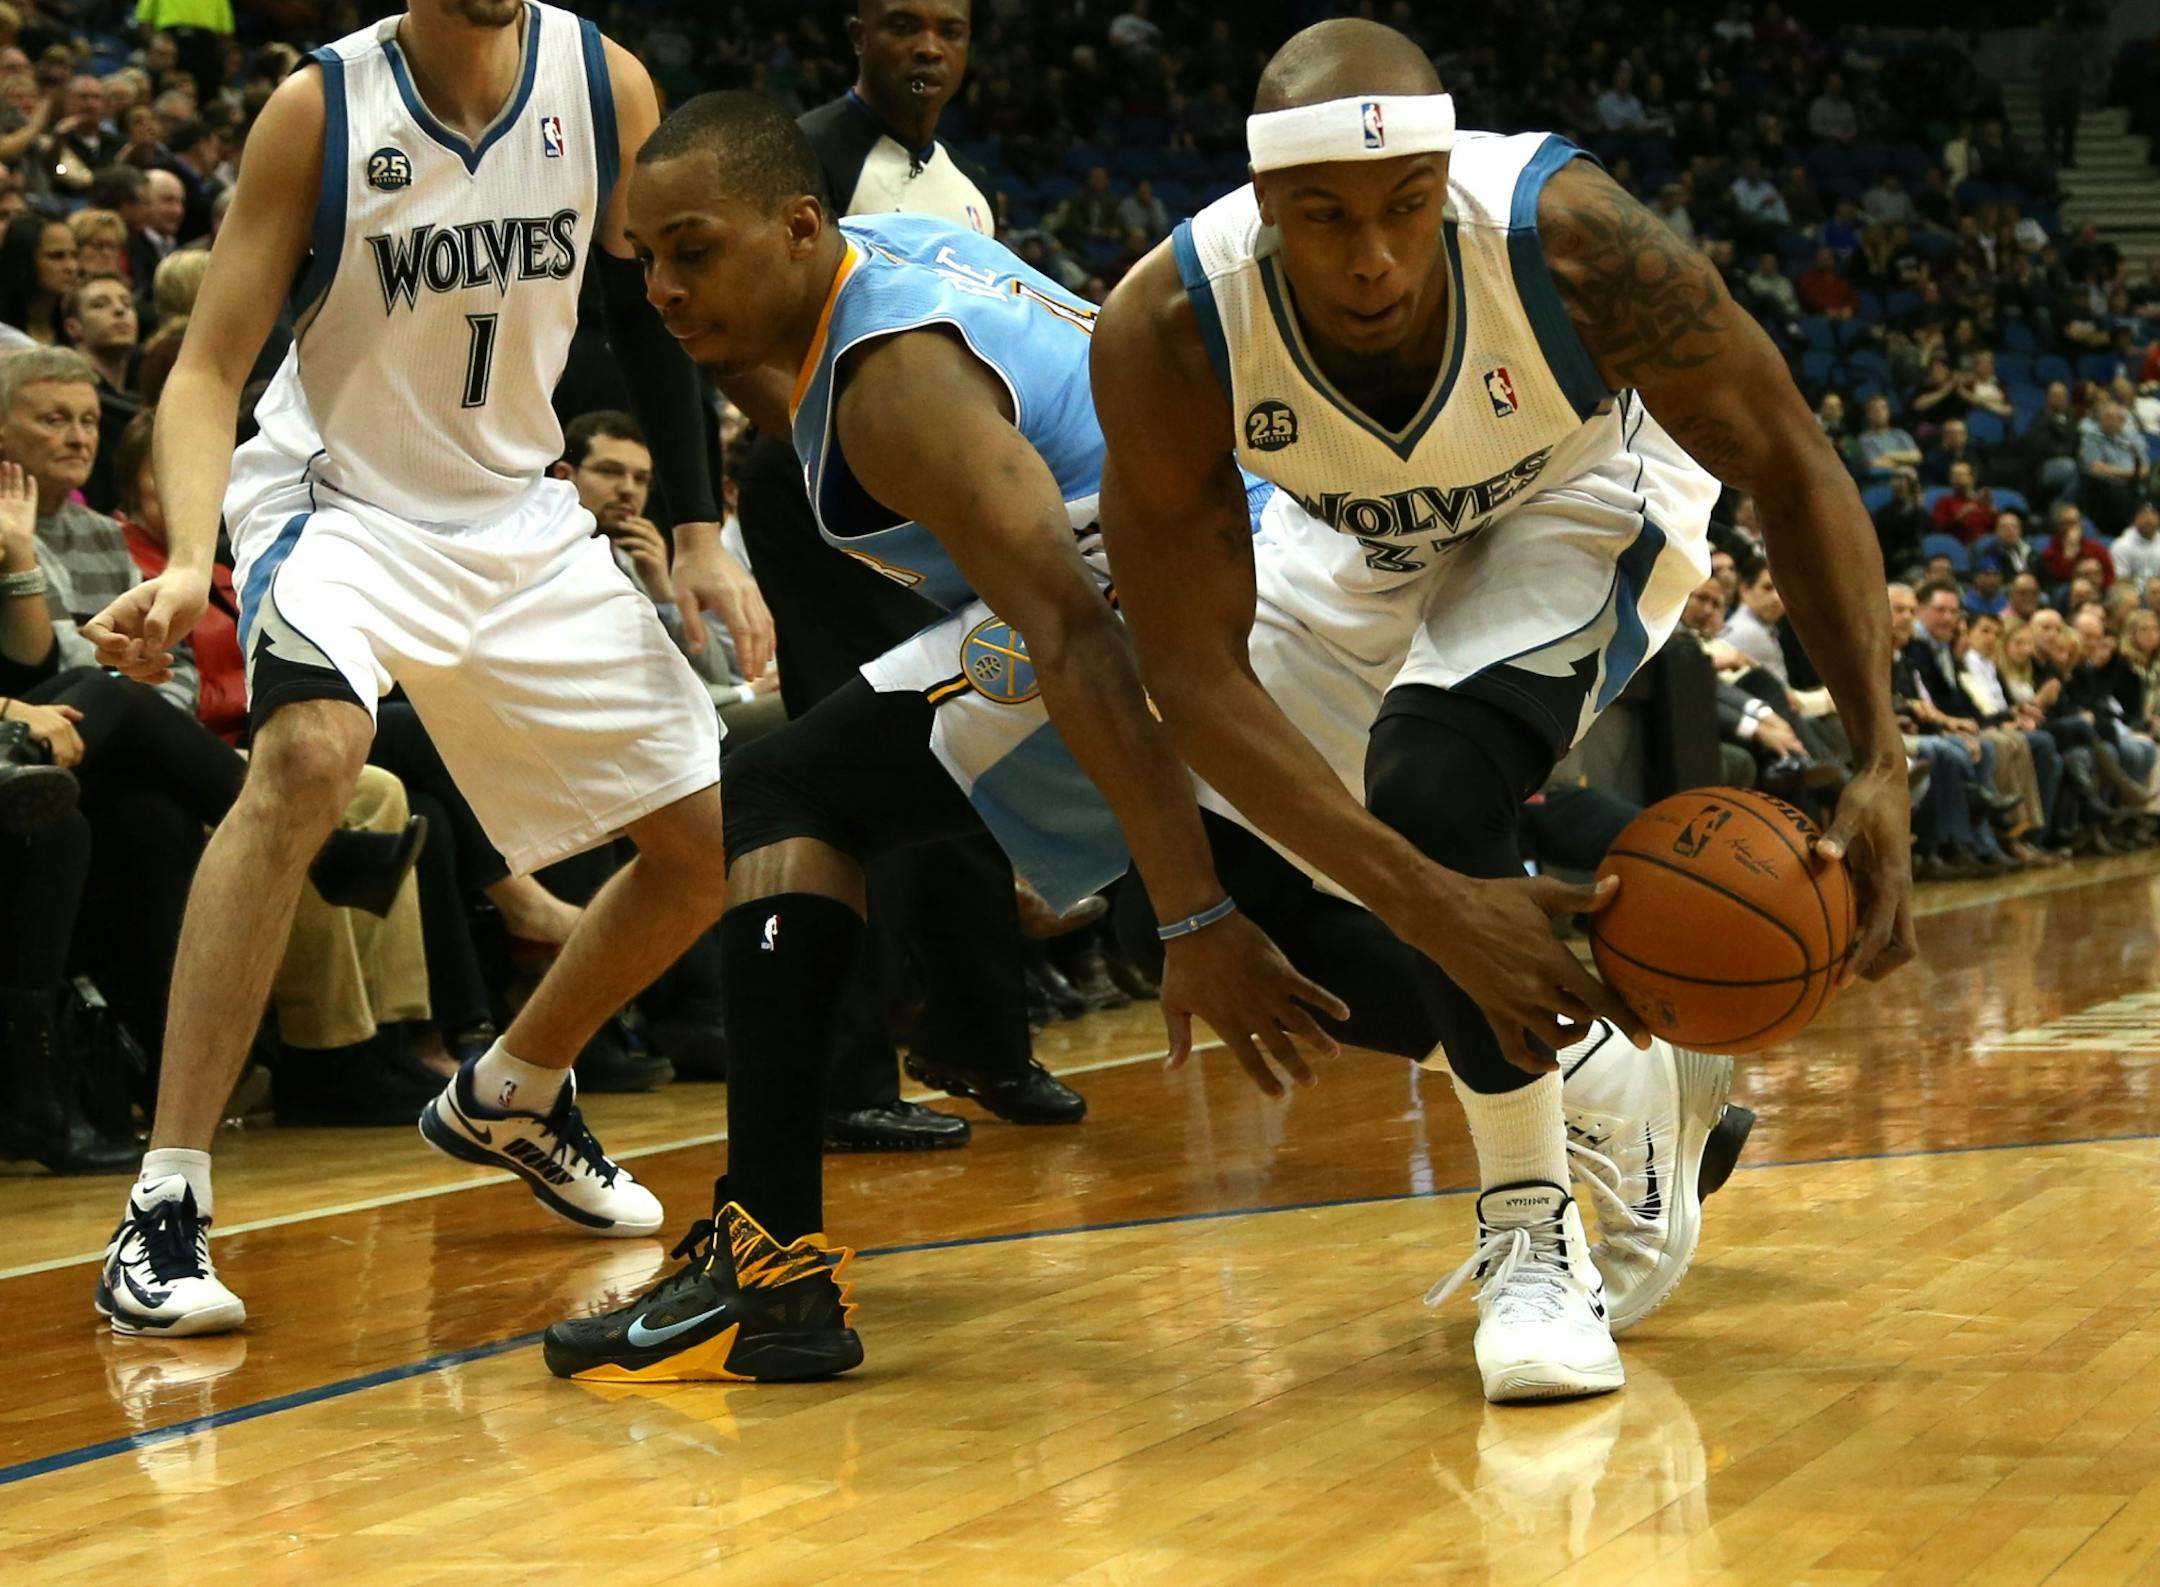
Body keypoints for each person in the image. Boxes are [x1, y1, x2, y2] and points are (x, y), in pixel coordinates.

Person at [1088, 20, 1914, 1403]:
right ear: (1259, 204)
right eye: (1325, 217)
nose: (1372, 257)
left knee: (1431, 777)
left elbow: (1789, 458)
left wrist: (1880, 753)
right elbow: (1192, 674)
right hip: (1357, 541)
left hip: (1582, 494)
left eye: (1406, 208)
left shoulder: (1578, 239)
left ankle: (1534, 1232)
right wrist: (1427, 907)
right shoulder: (1171, 326)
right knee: (1183, 902)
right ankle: (1615, 1072)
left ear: (1445, 177)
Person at [540, 90, 1345, 1386]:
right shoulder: (883, 259)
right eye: (648, 264)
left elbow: (1074, 635)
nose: (667, 289)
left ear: (796, 226)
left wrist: (1191, 911)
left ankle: (775, 1253)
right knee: (1269, 927)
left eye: (691, 253)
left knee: (795, 786)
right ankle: (1592, 1060)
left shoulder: (896, 386)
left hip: (1175, 602)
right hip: (1261, 553)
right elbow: (747, 363)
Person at [80, 0, 775, 1337]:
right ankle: (162, 1203)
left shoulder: (604, 82)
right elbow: (212, 360)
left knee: (708, 843)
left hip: (519, 511)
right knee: (308, 757)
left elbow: (653, 317)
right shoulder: (321, 107)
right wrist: (183, 554)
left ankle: (515, 1084)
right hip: (335, 500)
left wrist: (698, 527)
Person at [738, 0, 1084, 1153]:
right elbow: (742, 335)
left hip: (936, 489)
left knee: (972, 735)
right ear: (854, 35)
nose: (927, 48)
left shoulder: (962, 190)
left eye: (948, 27)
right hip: (827, 493)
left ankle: (980, 1040)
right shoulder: (801, 161)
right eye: (902, 26)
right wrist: (824, 434)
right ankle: (843, 1080)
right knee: (848, 766)